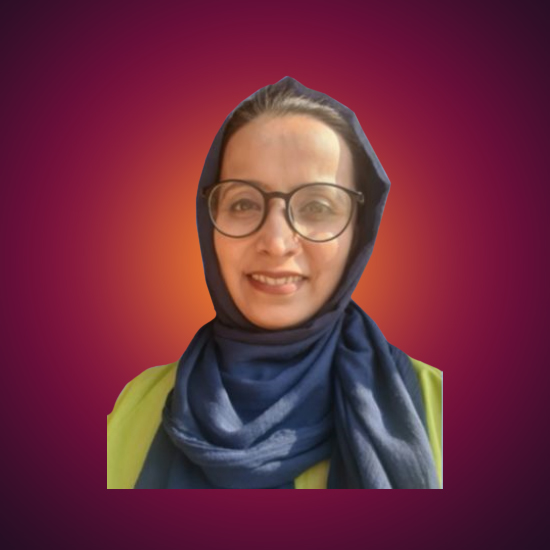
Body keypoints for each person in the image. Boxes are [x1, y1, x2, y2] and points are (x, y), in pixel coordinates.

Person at [107, 76, 442, 489]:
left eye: (318, 206)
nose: (277, 243)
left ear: (359, 232)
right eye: (244, 203)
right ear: (209, 222)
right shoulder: (136, 406)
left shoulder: (436, 404)